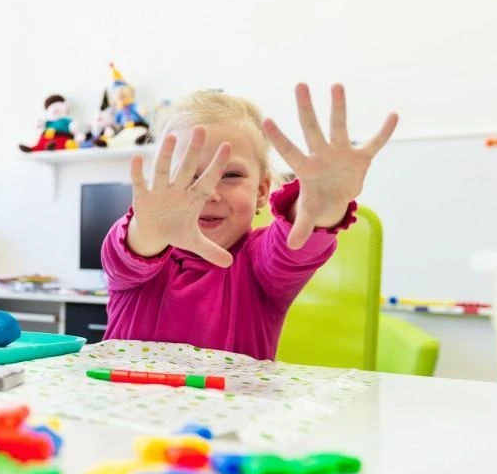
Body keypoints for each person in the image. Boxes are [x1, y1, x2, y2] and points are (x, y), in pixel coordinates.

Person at [101, 85, 398, 359]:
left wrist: (321, 204)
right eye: (187, 176)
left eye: (230, 175)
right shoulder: (140, 257)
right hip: (127, 415)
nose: (210, 193)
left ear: (262, 190)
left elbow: (294, 245)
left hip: (234, 416)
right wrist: (149, 229)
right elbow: (129, 253)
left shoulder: (260, 263)